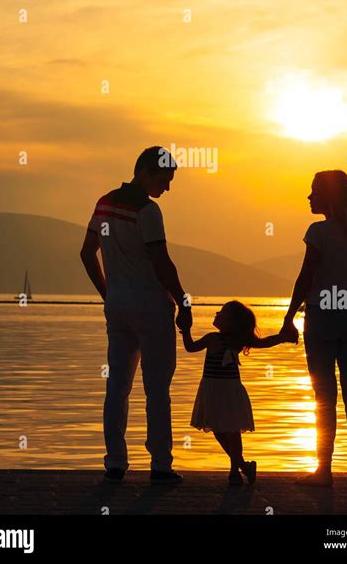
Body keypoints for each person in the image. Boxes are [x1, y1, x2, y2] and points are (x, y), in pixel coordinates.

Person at [80, 146, 192, 484]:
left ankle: (115, 462)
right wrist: (183, 301)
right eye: (164, 178)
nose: (167, 187)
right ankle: (160, 465)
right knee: (157, 388)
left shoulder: (103, 204)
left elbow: (87, 253)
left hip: (118, 307)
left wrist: (107, 293)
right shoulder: (147, 210)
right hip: (151, 307)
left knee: (117, 385)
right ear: (144, 171)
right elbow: (161, 263)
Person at [280, 170, 347, 489]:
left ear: (329, 197)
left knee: (324, 396)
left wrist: (288, 317)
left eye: (314, 192)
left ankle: (324, 469)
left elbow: (306, 277)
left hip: (322, 319)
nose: (309, 197)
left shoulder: (318, 232)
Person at [181, 300, 296, 485]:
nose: (217, 314)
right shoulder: (212, 338)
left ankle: (235, 470)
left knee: (233, 430)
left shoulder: (237, 340)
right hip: (211, 389)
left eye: (222, 313)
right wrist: (185, 330)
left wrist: (283, 337)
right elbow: (190, 347)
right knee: (217, 429)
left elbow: (263, 343)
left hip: (230, 390)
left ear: (232, 322)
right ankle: (243, 465)